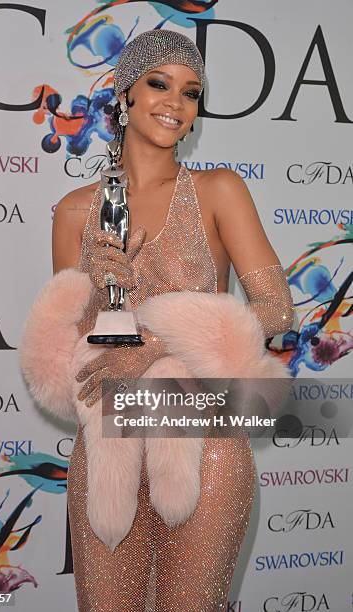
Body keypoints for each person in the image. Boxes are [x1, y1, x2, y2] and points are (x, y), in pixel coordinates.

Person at [19, 29, 295, 612]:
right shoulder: (74, 212)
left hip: (203, 440)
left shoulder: (219, 190)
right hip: (106, 445)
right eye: (159, 84)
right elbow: (68, 353)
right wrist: (99, 306)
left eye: (192, 93)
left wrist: (161, 337)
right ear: (124, 92)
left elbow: (275, 310)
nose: (177, 102)